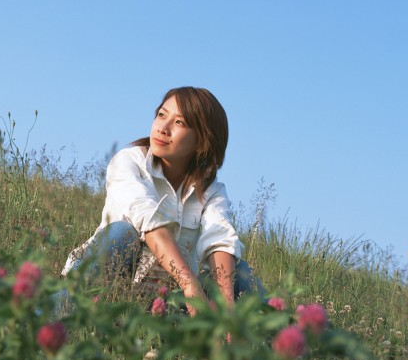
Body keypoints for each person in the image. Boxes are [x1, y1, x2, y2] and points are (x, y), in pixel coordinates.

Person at [61, 86, 263, 315]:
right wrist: (189, 284)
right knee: (121, 233)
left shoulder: (211, 191)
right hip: (108, 287)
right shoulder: (129, 162)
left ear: (203, 141)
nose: (163, 128)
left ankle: (268, 345)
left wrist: (227, 308)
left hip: (162, 303)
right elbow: (148, 217)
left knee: (240, 271)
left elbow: (219, 237)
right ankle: (53, 315)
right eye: (161, 115)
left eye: (179, 122)